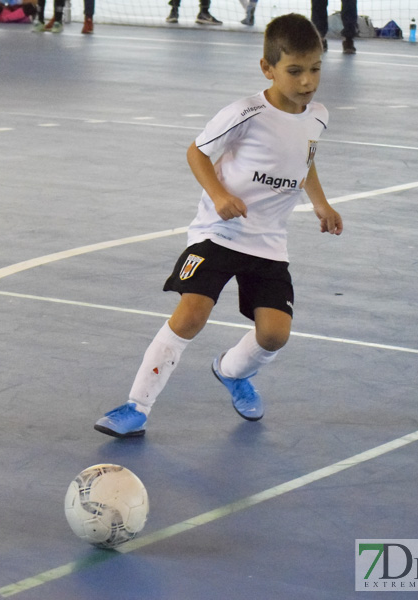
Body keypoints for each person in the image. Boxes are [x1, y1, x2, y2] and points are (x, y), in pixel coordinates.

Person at [95, 13, 342, 439]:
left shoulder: (317, 115)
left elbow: (306, 159)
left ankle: (231, 372)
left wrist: (320, 203)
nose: (307, 82)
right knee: (191, 314)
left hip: (268, 243)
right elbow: (197, 153)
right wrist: (220, 196)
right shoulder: (245, 112)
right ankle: (137, 406)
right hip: (218, 232)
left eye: (315, 69)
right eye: (295, 71)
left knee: (274, 335)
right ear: (268, 68)